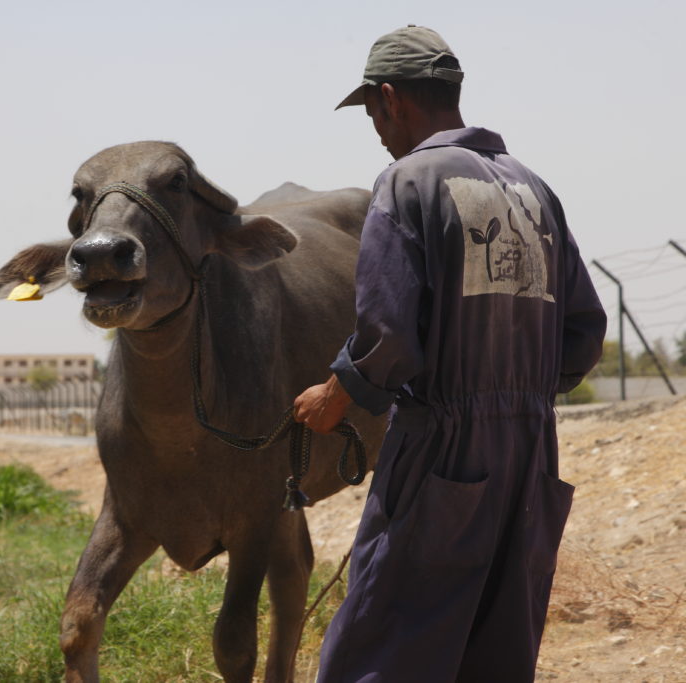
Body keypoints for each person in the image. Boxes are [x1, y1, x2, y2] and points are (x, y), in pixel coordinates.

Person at [293, 25, 607, 682]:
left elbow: (389, 338)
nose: (377, 129)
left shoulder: (407, 181)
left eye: (375, 113)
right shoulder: (534, 189)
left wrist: (336, 393)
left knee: (376, 650)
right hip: (530, 452)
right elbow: (583, 330)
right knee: (493, 650)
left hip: (438, 450)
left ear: (390, 98)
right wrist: (513, 390)